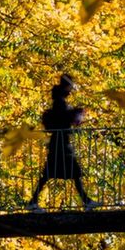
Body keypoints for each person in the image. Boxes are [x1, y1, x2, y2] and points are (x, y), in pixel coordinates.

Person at [27, 74, 97, 211]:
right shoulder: (59, 102)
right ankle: (86, 201)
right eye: (70, 87)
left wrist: (72, 113)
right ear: (66, 87)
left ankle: (86, 201)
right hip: (61, 144)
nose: (71, 90)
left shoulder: (59, 100)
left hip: (59, 142)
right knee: (71, 172)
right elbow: (62, 118)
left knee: (56, 173)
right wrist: (74, 113)